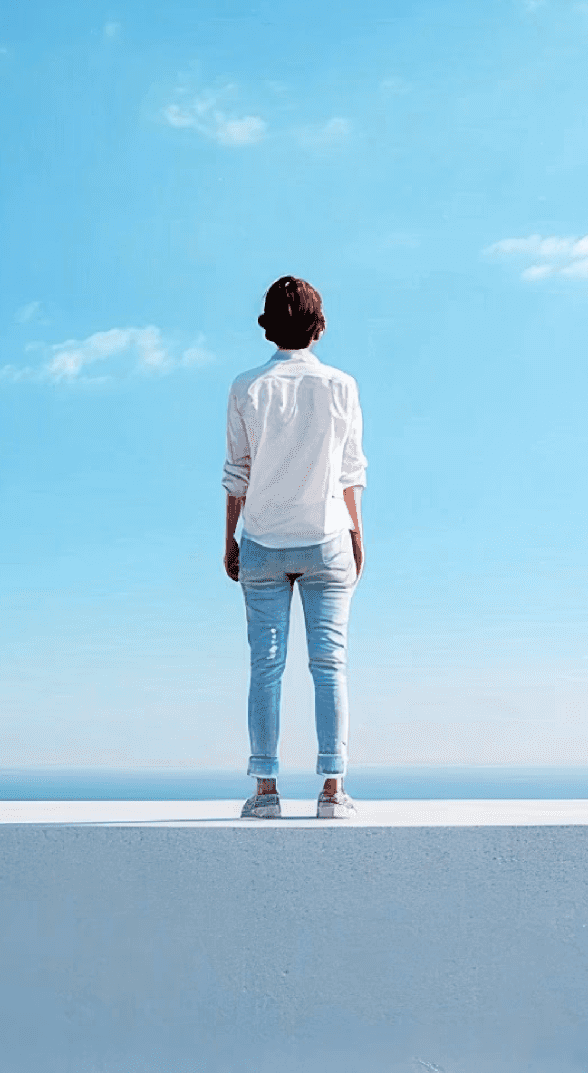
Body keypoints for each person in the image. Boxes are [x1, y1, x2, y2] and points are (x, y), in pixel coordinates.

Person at [221, 275, 365, 820]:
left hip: (261, 539)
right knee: (330, 665)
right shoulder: (341, 386)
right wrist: (357, 536)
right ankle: (332, 790)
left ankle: (265, 792)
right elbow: (351, 470)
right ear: (318, 326)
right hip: (327, 538)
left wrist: (229, 539)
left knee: (265, 667)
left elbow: (237, 472)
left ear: (268, 327)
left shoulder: (246, 387)